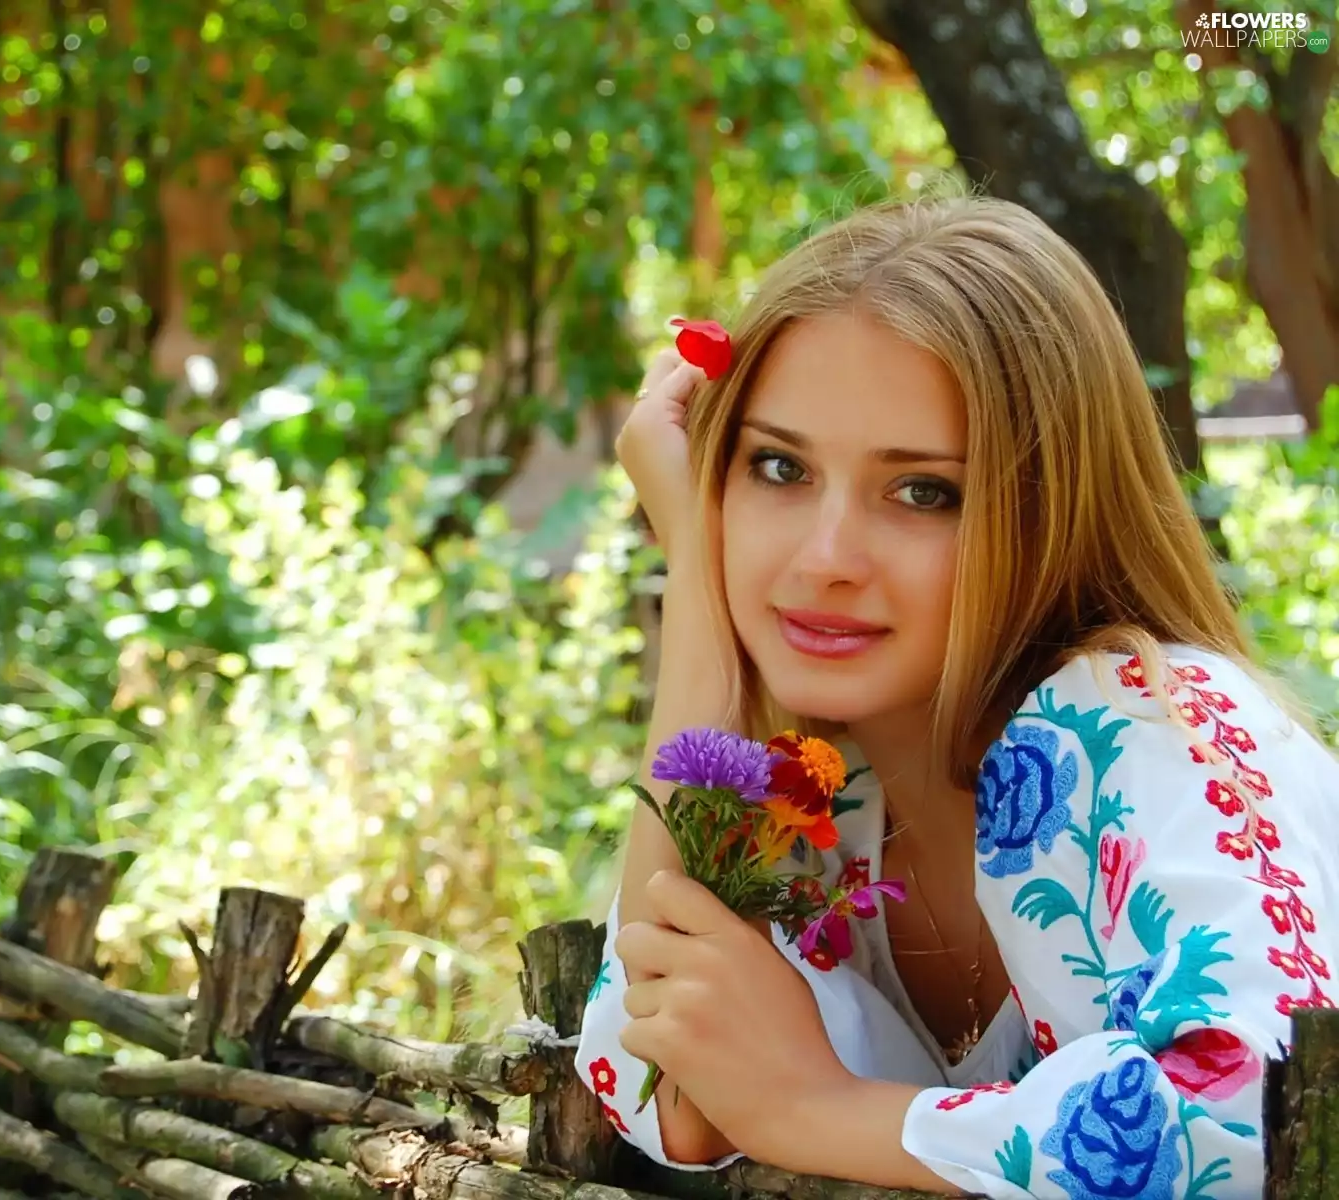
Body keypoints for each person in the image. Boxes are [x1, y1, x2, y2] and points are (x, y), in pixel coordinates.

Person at [572, 190, 1339, 1198]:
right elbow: (660, 1080)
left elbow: (1250, 1117)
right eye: (778, 467)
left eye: (923, 491)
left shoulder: (1142, 719)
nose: (826, 557)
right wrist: (701, 608)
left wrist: (820, 1109)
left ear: (1050, 512)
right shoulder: (829, 801)